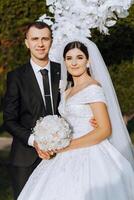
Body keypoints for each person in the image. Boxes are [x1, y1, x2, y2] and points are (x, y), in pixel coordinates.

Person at [17, 39, 134, 200]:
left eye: (79, 57)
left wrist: (67, 146)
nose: (74, 62)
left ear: (88, 61)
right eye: (69, 58)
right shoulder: (66, 91)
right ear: (64, 62)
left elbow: (104, 129)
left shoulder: (93, 88)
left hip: (90, 152)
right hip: (64, 150)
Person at [3, 21, 61, 200]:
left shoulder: (64, 72)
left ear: (51, 41)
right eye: (35, 39)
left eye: (45, 38)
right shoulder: (16, 77)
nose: (40, 44)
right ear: (27, 42)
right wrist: (34, 140)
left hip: (62, 155)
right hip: (25, 158)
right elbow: (9, 120)